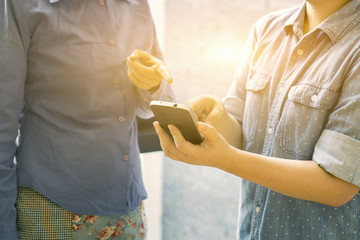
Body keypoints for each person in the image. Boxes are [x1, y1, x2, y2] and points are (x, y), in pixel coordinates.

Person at [153, 0, 360, 239]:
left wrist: (225, 160)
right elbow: (242, 138)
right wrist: (217, 116)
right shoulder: (266, 29)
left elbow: (336, 185)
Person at [0, 0, 174, 239]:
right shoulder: (21, 5)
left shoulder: (137, 5)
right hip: (51, 213)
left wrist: (153, 84)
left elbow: (154, 105)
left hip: (129, 212)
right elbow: (2, 130)